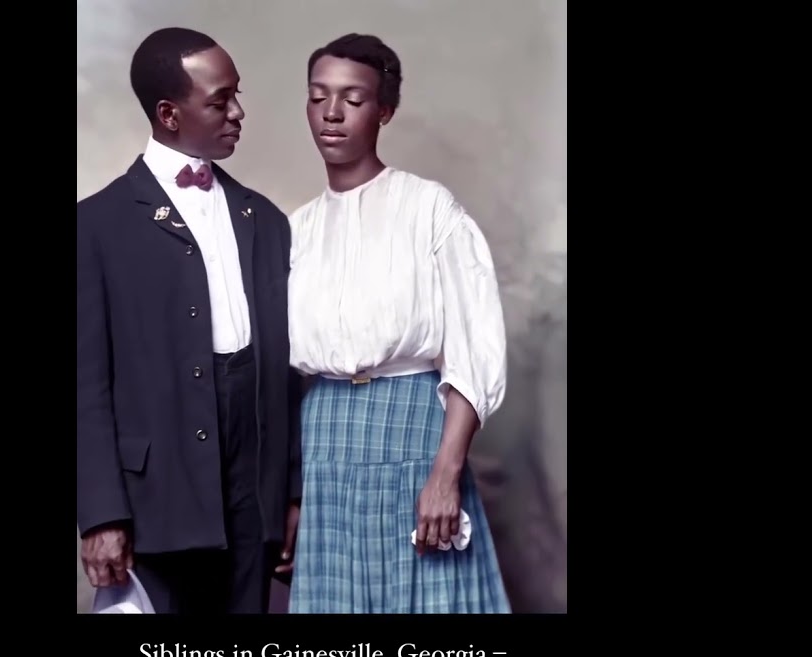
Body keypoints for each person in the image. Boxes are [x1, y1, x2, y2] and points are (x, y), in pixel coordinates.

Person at [77, 27, 301, 614]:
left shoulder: (268, 221)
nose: (238, 112)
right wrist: (101, 513)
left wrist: (291, 495)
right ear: (169, 114)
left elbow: (288, 374)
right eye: (220, 99)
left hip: (255, 499)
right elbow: (85, 388)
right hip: (154, 501)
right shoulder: (94, 227)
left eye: (237, 95)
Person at [285, 33, 511, 613]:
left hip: (415, 430)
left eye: (353, 100)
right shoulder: (297, 230)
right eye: (318, 97)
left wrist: (445, 473)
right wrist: (290, 495)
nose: (331, 114)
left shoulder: (430, 209)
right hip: (325, 438)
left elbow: (472, 347)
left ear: (384, 110)